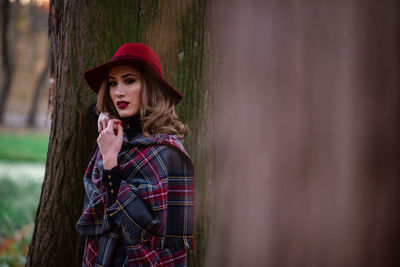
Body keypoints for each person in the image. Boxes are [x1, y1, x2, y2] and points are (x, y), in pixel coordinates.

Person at [76, 43, 195, 267]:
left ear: (150, 87)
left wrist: (111, 162)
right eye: (113, 83)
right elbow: (95, 206)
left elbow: (148, 229)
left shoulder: (168, 154)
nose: (118, 91)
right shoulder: (112, 138)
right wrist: (106, 117)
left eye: (129, 81)